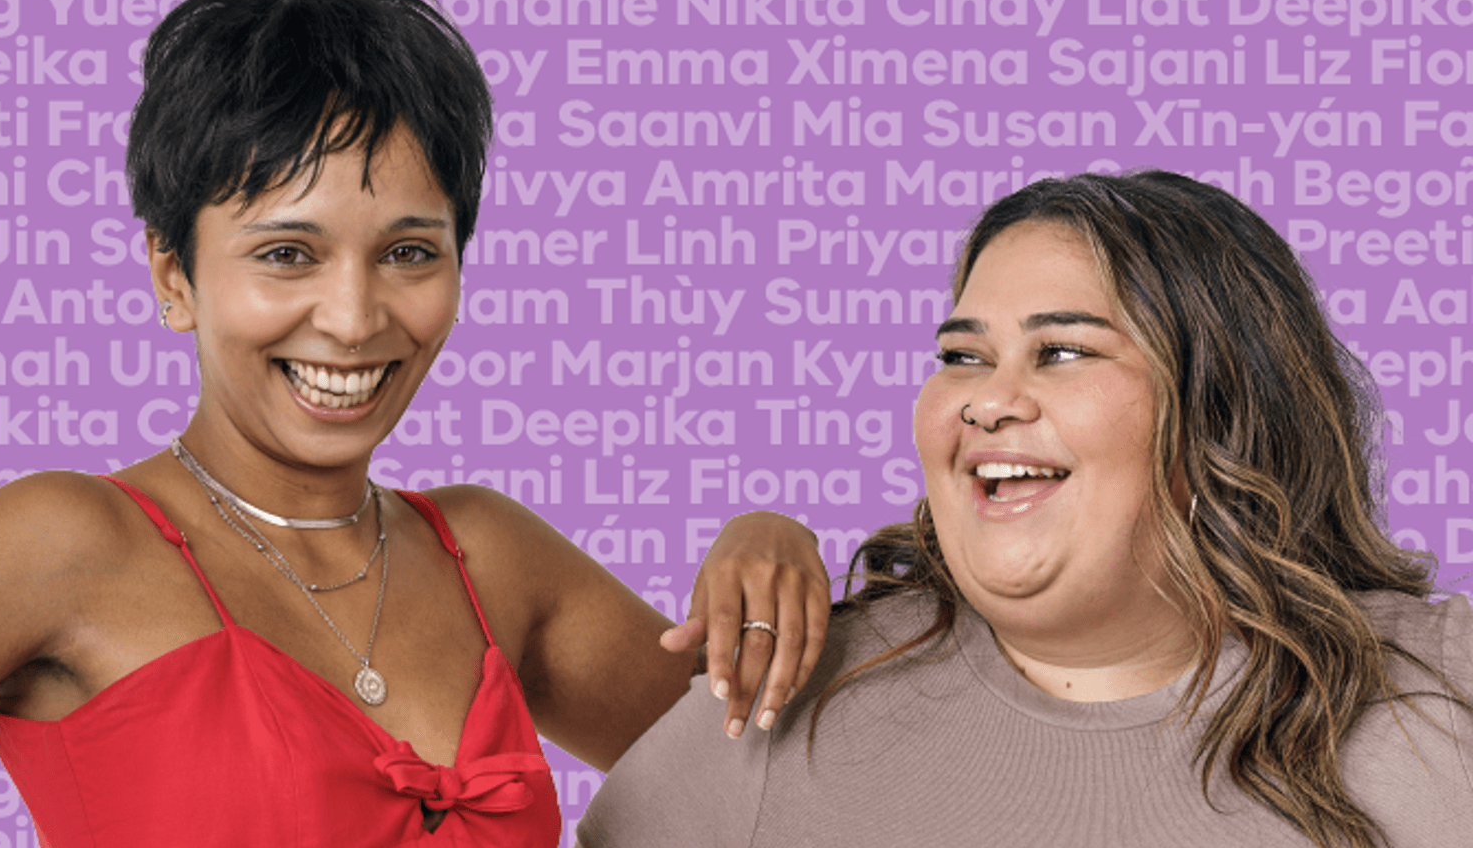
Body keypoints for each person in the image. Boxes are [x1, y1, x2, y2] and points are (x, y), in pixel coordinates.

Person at [0, 0, 830, 847]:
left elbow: (789, 778)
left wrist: (769, 535)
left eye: (408, 251)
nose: (356, 318)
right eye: (288, 252)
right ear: (175, 277)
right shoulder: (66, 545)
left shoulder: (490, 557)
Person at [577, 171, 1473, 848]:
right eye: (964, 357)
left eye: (1062, 351)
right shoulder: (778, 715)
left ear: (1223, 407)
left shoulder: (1444, 690)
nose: (985, 401)